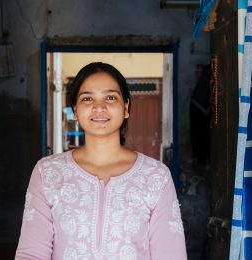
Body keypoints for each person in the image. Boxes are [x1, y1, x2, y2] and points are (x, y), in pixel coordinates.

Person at [15, 62, 187, 260]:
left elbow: (171, 255)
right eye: (87, 98)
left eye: (111, 97)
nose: (99, 107)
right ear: (75, 110)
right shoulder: (48, 173)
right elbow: (31, 254)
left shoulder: (156, 176)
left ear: (126, 108)